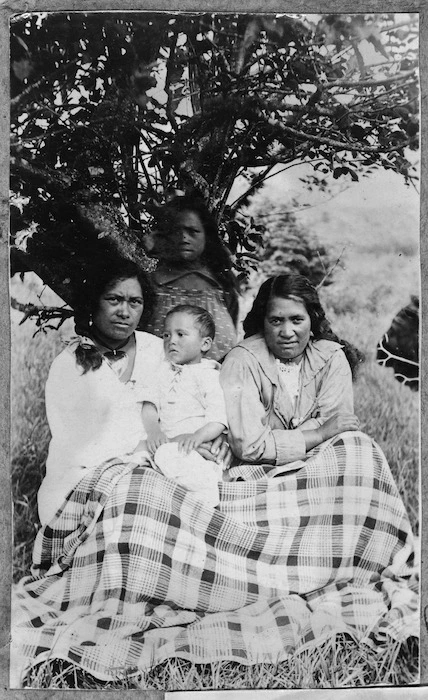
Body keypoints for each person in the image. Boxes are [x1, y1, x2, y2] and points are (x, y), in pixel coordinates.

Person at [11, 271, 418, 688]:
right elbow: (85, 440)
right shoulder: (71, 362)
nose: (124, 311)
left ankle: (351, 557)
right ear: (92, 304)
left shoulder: (157, 347)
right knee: (144, 495)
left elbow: (207, 403)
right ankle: (227, 567)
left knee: (357, 450)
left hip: (186, 459)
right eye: (114, 299)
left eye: (134, 302)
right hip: (96, 472)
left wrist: (211, 437)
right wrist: (179, 444)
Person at [220, 273, 364, 477]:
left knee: (360, 447)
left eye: (297, 320)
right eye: (276, 321)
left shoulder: (331, 357)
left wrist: (273, 440)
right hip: (255, 473)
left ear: (311, 319)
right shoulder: (242, 361)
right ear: (263, 321)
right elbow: (249, 447)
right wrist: (318, 433)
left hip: (317, 466)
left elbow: (338, 426)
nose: (287, 332)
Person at [145, 304, 228, 507]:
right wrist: (154, 430)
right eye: (166, 335)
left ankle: (206, 496)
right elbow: (149, 404)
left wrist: (197, 436)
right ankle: (185, 494)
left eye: (181, 334)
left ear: (205, 344)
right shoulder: (161, 371)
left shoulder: (209, 375)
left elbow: (218, 418)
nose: (171, 341)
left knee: (168, 456)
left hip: (197, 449)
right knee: (151, 456)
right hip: (168, 446)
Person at [143, 194, 239, 361]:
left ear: (206, 236)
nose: (184, 238)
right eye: (176, 231)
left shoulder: (222, 287)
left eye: (192, 231)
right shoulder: (150, 284)